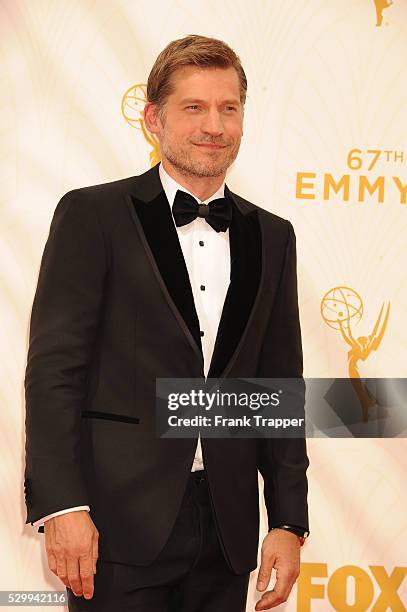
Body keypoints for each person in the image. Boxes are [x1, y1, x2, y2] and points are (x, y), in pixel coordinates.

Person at [24, 35, 309, 612]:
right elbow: (55, 370)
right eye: (194, 107)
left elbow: (279, 387)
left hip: (227, 530)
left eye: (229, 108)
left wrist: (287, 519)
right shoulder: (93, 215)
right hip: (116, 524)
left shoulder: (272, 236)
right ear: (154, 118)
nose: (214, 125)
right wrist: (63, 507)